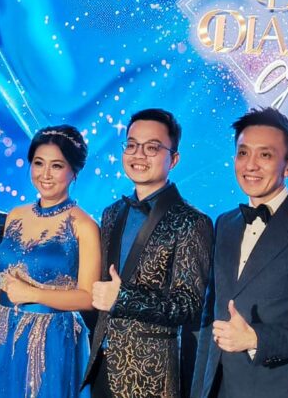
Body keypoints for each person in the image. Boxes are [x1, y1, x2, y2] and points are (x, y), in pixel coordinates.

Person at [191, 107, 288, 398]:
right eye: (243, 153)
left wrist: (255, 339)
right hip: (215, 386)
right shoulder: (225, 224)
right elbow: (211, 318)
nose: (251, 165)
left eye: (266, 155)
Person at [0, 124, 100, 398]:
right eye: (38, 163)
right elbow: (2, 280)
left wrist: (32, 294)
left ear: (74, 171)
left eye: (57, 166)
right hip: (0, 330)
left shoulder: (84, 226)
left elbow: (88, 298)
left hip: (50, 338)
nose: (45, 174)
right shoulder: (15, 215)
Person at [83, 109, 213, 398]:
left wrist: (123, 298)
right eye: (131, 145)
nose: (138, 154)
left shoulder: (192, 221)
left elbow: (189, 305)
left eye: (152, 148)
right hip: (101, 365)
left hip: (150, 374)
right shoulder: (111, 213)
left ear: (173, 159)